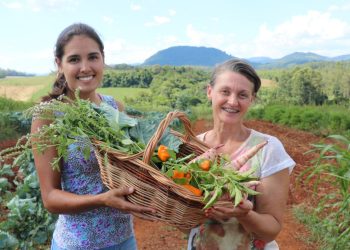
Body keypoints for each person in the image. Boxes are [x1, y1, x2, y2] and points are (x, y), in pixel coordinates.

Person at [31, 23, 155, 250]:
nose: (85, 67)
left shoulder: (114, 106)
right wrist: (100, 200)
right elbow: (50, 198)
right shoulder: (49, 115)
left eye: (93, 57)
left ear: (103, 59)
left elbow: (128, 166)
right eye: (74, 59)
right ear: (59, 64)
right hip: (77, 244)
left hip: (124, 239)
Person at [187, 59, 295, 250]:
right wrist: (203, 208)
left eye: (242, 95)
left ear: (252, 99)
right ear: (209, 91)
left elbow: (271, 231)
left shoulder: (267, 149)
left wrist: (244, 213)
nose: (233, 101)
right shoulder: (191, 147)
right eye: (225, 91)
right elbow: (182, 219)